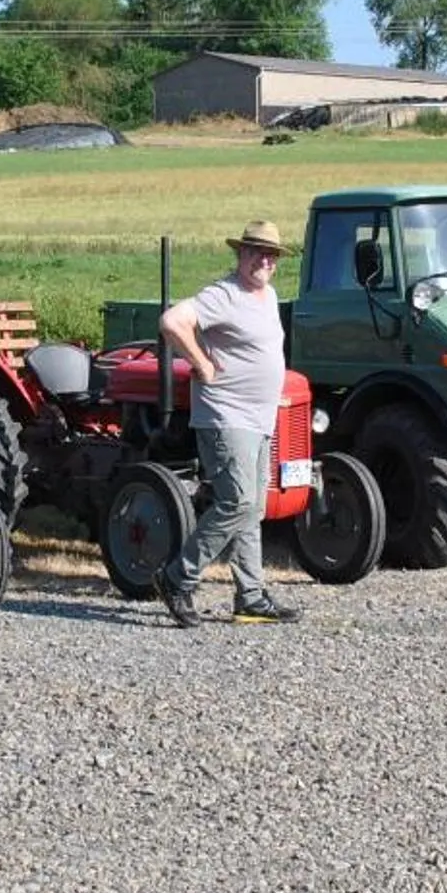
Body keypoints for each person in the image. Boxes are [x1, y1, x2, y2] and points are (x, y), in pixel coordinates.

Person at [153, 219, 298, 626]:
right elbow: (172, 322)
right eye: (255, 251)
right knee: (237, 501)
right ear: (240, 254)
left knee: (253, 508)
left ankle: (250, 596)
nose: (264, 260)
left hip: (259, 418)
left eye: (270, 254)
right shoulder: (224, 294)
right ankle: (177, 577)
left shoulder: (267, 296)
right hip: (226, 414)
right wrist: (200, 362)